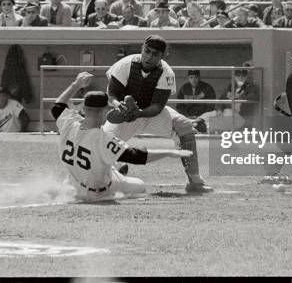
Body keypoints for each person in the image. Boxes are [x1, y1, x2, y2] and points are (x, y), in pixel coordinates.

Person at [51, 71, 193, 201]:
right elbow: (136, 156)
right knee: (140, 185)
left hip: (74, 184)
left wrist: (76, 84)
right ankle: (116, 172)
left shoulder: (69, 122)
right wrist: (169, 152)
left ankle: (114, 169)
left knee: (107, 159)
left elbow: (57, 106)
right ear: (103, 112)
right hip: (97, 193)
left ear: (83, 109)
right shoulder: (102, 139)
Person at [103, 35, 213, 193]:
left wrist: (139, 113)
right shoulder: (125, 64)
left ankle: (195, 180)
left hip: (150, 114)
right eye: (146, 51)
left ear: (163, 56)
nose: (149, 56)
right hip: (124, 117)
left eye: (155, 54)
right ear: (142, 48)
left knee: (184, 126)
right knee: (101, 142)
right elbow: (112, 94)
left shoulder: (166, 72)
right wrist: (118, 106)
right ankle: (108, 175)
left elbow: (158, 106)